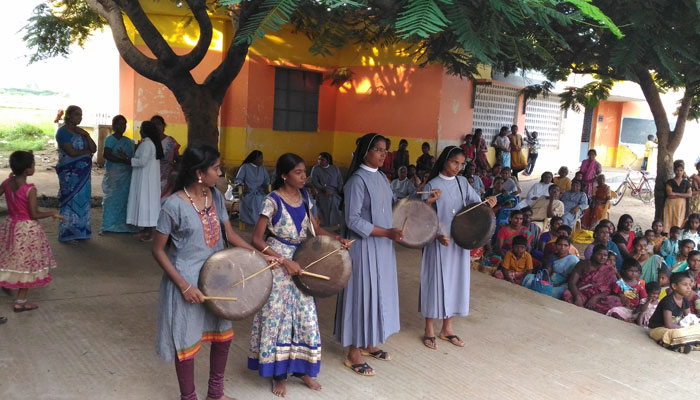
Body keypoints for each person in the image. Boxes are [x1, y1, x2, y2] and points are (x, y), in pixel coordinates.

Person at [152, 144, 268, 400]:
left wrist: (256, 255)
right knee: (187, 344)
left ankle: (215, 394)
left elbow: (230, 234)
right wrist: (184, 286)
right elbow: (158, 250)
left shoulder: (214, 196)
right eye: (216, 168)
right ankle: (189, 397)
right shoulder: (172, 205)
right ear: (199, 173)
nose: (221, 172)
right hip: (186, 283)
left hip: (217, 281)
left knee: (222, 338)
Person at [249, 153, 351, 396]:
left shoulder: (306, 197)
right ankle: (278, 374)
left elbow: (314, 230)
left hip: (304, 261)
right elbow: (256, 239)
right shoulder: (271, 201)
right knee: (278, 318)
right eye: (298, 172)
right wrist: (283, 261)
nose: (304, 176)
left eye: (305, 172)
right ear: (284, 175)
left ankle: (303, 370)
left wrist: (337, 241)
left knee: (305, 317)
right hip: (278, 264)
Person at [335, 133, 404, 377]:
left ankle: (369, 343)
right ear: (365, 152)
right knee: (362, 295)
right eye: (377, 149)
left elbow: (393, 205)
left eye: (385, 150)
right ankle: (353, 352)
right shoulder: (356, 181)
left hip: (383, 246)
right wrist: (386, 232)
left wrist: (418, 199)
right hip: (363, 247)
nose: (383, 154)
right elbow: (352, 219)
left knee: (380, 293)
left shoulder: (384, 179)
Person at [419, 146, 495, 350]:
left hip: (459, 241)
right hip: (438, 242)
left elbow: (476, 206)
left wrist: (489, 204)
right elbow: (421, 216)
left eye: (461, 164)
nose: (458, 168)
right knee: (434, 282)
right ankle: (429, 329)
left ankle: (447, 328)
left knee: (455, 282)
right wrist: (435, 233)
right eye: (454, 162)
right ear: (444, 160)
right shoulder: (433, 185)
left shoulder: (462, 183)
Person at [0, 151, 64, 312]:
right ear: (28, 170)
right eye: (33, 164)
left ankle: (7, 280)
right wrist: (52, 213)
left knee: (10, 258)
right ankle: (20, 302)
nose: (34, 167)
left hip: (11, 225)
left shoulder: (7, 183)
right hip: (27, 230)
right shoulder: (30, 189)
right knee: (27, 264)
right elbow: (34, 214)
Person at [55, 105, 97, 243]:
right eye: (77, 114)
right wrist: (86, 153)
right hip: (70, 175)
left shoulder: (81, 132)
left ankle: (81, 231)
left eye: (81, 115)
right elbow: (71, 152)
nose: (80, 117)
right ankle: (68, 233)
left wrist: (87, 135)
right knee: (70, 201)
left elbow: (94, 148)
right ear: (69, 116)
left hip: (84, 175)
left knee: (82, 201)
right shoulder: (62, 133)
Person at [100, 115, 138, 234]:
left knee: (124, 198)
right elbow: (106, 155)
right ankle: (108, 225)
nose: (122, 126)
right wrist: (123, 160)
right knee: (111, 198)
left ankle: (122, 225)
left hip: (126, 174)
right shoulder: (110, 140)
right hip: (114, 174)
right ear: (114, 125)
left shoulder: (127, 141)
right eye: (119, 124)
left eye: (124, 124)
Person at [126, 121, 163, 242]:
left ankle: (152, 234)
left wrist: (127, 159)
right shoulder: (149, 143)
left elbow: (142, 161)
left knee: (148, 204)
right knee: (145, 203)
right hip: (146, 178)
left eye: (141, 129)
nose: (140, 131)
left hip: (146, 179)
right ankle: (146, 231)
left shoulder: (148, 144)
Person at [647, 271, 700, 354]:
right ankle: (684, 344)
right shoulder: (668, 301)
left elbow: (688, 318)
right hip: (658, 329)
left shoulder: (685, 300)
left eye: (690, 285)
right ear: (674, 286)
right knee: (676, 333)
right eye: (685, 285)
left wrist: (691, 324)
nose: (689, 288)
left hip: (676, 328)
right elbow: (669, 325)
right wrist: (684, 328)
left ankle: (682, 345)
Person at [562, 245, 620, 314]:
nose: (602, 257)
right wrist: (578, 297)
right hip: (582, 294)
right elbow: (572, 282)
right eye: (599, 254)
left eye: (605, 255)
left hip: (598, 298)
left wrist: (595, 298)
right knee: (567, 294)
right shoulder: (583, 264)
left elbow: (608, 291)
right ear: (593, 254)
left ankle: (590, 308)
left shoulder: (609, 270)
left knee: (616, 300)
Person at [235, 150, 271, 227]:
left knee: (268, 199)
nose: (262, 160)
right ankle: (258, 224)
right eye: (260, 158)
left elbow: (267, 180)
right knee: (257, 199)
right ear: (254, 159)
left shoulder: (262, 168)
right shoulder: (245, 167)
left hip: (260, 191)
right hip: (248, 192)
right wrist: (244, 185)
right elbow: (238, 179)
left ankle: (265, 223)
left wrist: (266, 186)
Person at [606, 258, 648, 322]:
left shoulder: (640, 285)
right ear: (624, 271)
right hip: (622, 307)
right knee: (614, 311)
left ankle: (632, 319)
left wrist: (638, 308)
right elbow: (614, 295)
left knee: (643, 314)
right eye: (630, 271)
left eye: (636, 271)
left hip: (634, 310)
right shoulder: (620, 283)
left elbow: (643, 299)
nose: (633, 273)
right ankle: (623, 320)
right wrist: (621, 296)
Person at [309, 152, 343, 227]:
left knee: (337, 201)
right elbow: (314, 181)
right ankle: (327, 224)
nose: (319, 161)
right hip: (322, 192)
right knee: (328, 201)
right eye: (319, 159)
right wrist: (324, 189)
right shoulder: (316, 168)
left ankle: (336, 224)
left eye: (322, 160)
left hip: (335, 192)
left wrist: (341, 191)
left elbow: (340, 181)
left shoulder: (335, 168)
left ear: (327, 161)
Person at [151, 115, 181, 198]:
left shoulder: (170, 141)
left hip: (167, 178)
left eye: (158, 124)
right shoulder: (148, 142)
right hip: (152, 175)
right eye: (154, 124)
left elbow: (177, 158)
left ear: (163, 126)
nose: (156, 126)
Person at [663, 160, 692, 233]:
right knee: (669, 220)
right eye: (677, 170)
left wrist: (675, 194)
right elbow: (669, 194)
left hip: (682, 206)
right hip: (670, 206)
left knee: (680, 221)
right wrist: (683, 195)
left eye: (681, 170)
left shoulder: (686, 183)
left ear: (683, 171)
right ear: (674, 171)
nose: (679, 172)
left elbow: (689, 194)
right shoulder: (670, 182)